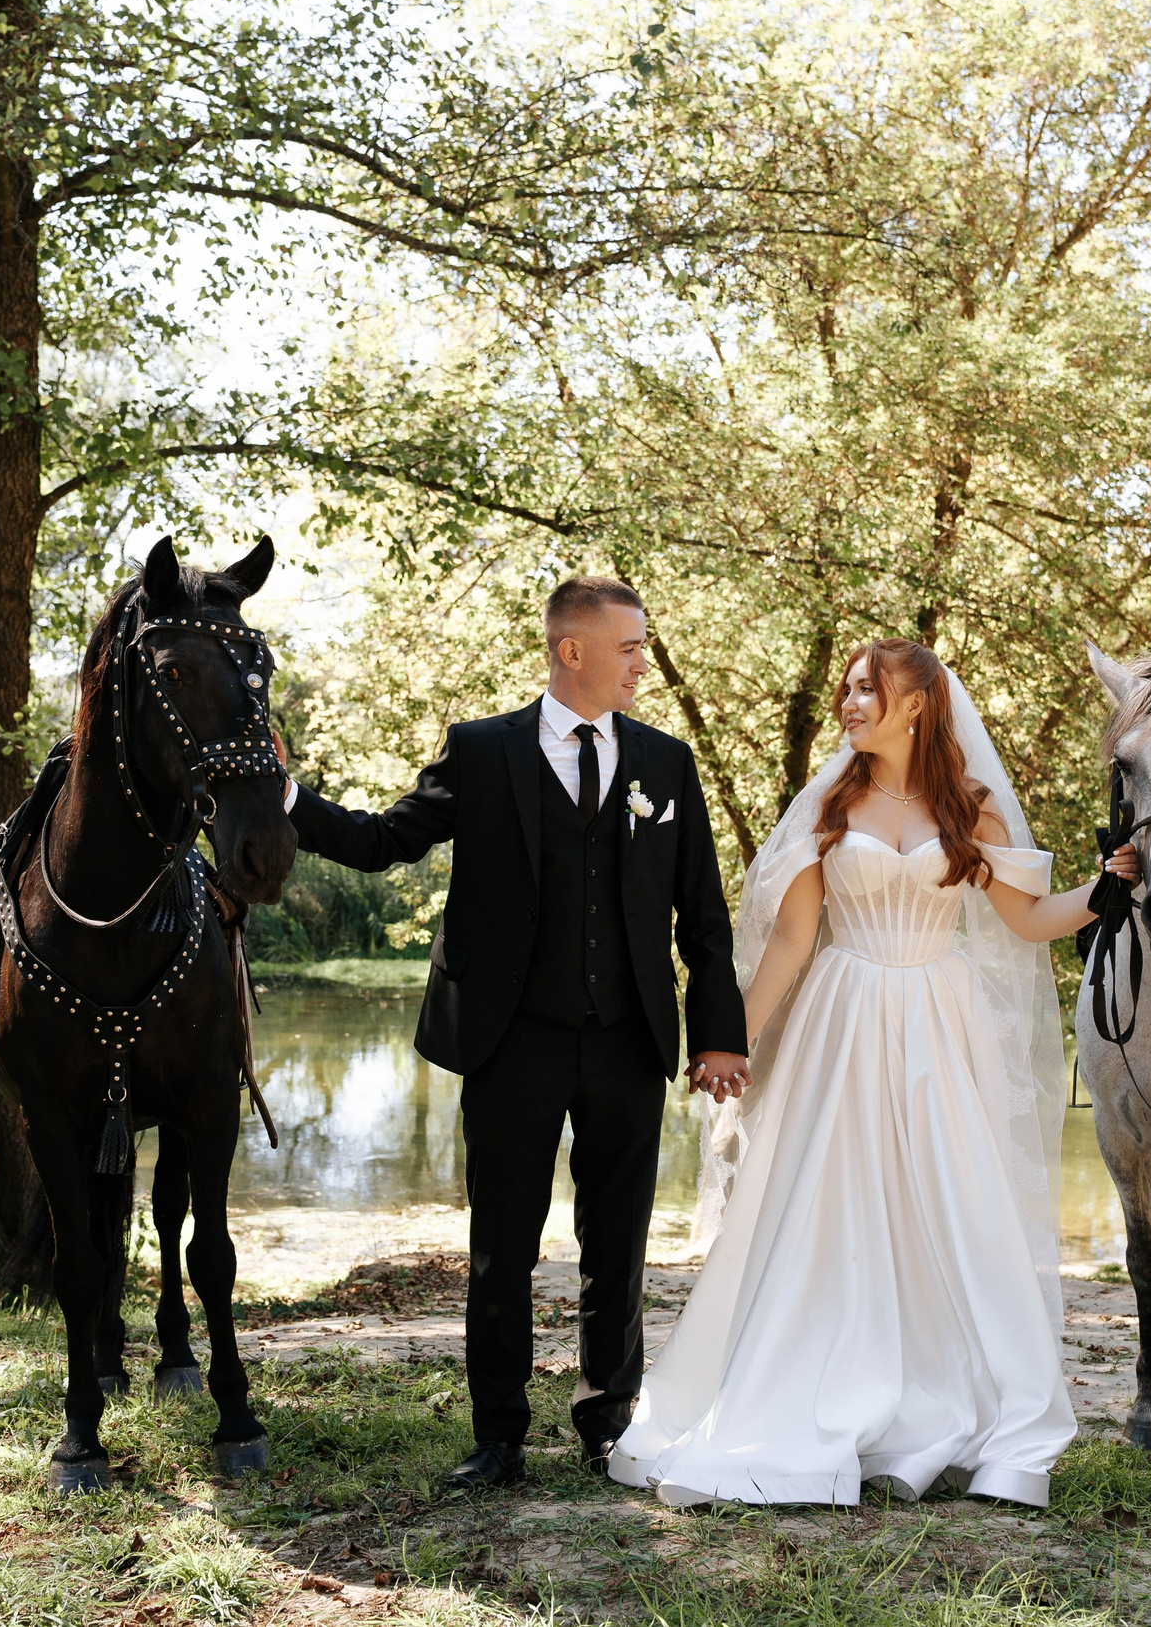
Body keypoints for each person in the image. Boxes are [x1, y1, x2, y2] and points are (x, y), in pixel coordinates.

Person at [607, 638, 1098, 1507]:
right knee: (830, 1203)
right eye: (845, 688)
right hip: (845, 1016)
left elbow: (1027, 921)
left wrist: (1109, 890)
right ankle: (811, 1388)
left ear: (916, 704)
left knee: (951, 1204)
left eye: (867, 689)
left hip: (939, 1025)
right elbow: (794, 943)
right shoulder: (832, 804)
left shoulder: (972, 810)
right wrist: (730, 1043)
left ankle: (966, 1406)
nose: (848, 702)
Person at [283, 577, 749, 1488]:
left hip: (627, 1036)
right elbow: (383, 842)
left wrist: (718, 1034)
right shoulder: (483, 750)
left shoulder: (666, 763)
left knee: (619, 1240)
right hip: (509, 1037)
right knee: (505, 1240)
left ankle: (607, 1423)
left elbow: (703, 915)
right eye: (629, 648)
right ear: (570, 651)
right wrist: (286, 795)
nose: (642, 663)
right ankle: (498, 1436)